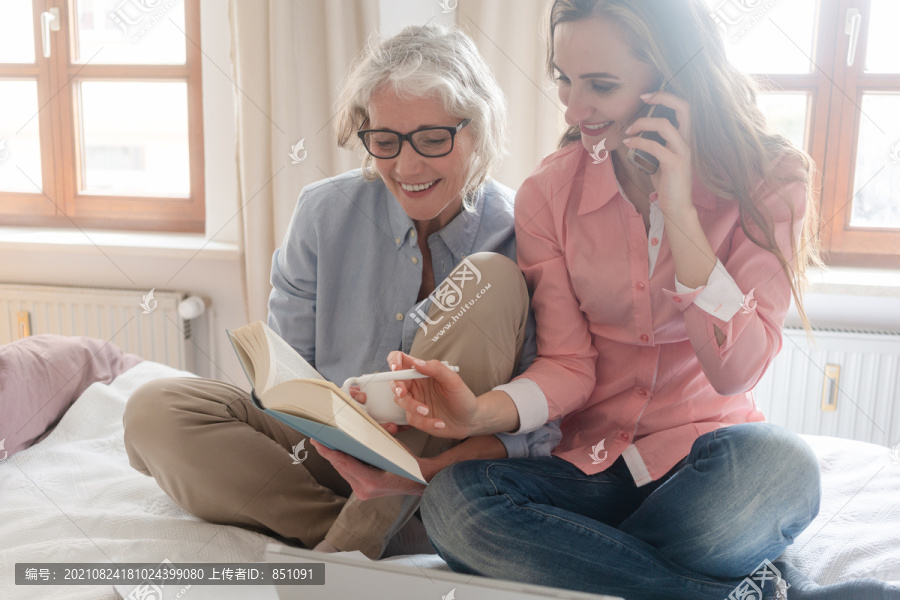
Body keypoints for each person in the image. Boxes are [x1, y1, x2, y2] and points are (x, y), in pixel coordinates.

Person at [317, 1, 894, 598]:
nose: (572, 108)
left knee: (782, 470)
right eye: (565, 80)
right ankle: (741, 589)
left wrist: (680, 212)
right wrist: (475, 414)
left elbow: (734, 371)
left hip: (705, 466)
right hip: (587, 471)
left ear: (672, 79)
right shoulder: (550, 192)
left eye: (601, 85)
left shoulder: (771, 181)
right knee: (456, 506)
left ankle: (596, 563)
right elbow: (569, 365)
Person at [122, 25, 560, 561]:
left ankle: (345, 546)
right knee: (154, 408)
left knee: (489, 276)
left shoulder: (523, 232)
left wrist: (419, 468)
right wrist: (333, 427)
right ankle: (379, 532)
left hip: (447, 467)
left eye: (432, 138)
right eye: (384, 141)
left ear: (479, 131)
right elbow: (284, 380)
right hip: (329, 452)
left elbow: (539, 429)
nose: (407, 166)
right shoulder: (323, 212)